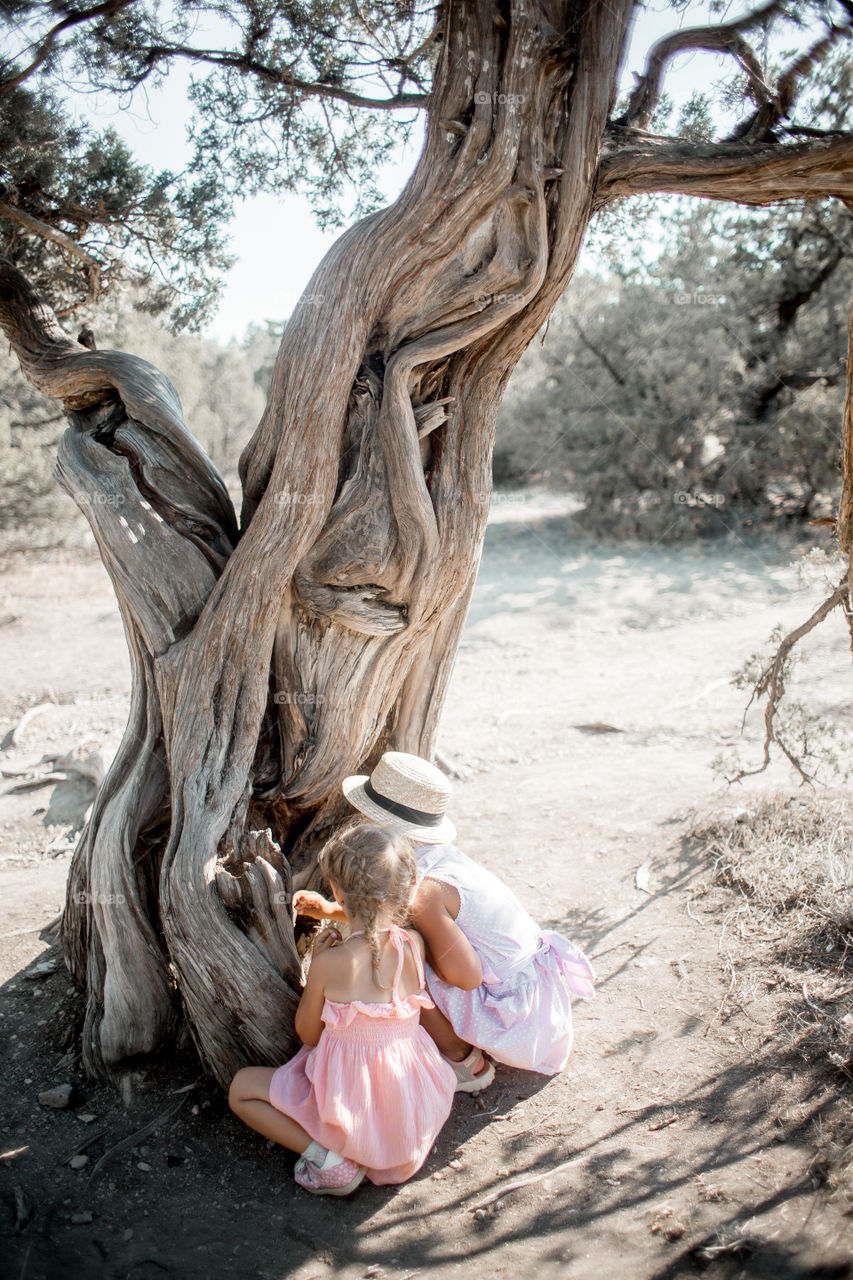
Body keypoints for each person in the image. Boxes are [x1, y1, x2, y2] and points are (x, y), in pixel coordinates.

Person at [295, 752, 595, 1091]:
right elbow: (381, 908)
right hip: (541, 1003)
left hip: (521, 1023)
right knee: (399, 941)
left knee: (396, 957)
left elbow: (466, 977)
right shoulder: (434, 858)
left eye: (366, 814)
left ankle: (462, 1060)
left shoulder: (426, 892)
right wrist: (329, 910)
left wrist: (411, 953)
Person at [229, 824, 456, 1195]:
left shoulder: (331, 963)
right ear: (401, 890)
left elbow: (308, 1035)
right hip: (410, 1121)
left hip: (353, 1109)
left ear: (336, 890)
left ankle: (331, 1162)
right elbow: (375, 933)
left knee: (241, 1089)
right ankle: (374, 1151)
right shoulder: (413, 944)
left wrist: (316, 966)